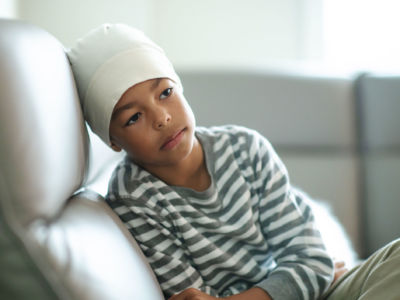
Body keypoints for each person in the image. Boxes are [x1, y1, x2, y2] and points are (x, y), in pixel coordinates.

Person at [68, 24, 400, 300]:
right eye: (133, 118)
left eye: (165, 93)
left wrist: (309, 279)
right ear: (111, 140)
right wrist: (303, 283)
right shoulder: (133, 200)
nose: (161, 118)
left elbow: (312, 261)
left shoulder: (246, 148)